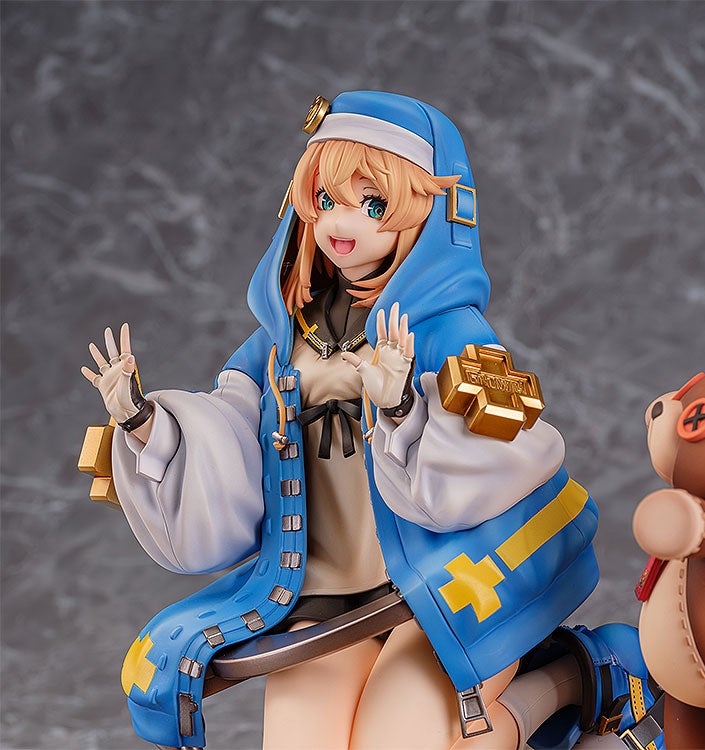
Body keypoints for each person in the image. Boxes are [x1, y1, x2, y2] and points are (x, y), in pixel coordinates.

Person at [82, 91, 601, 750]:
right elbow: (229, 436)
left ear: (428, 210)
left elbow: (501, 455)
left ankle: (560, 681)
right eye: (326, 200)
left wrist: (402, 405)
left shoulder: (449, 332)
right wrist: (142, 421)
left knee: (400, 739)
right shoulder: (282, 340)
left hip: (442, 582)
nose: (340, 221)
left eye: (373, 203)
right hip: (324, 589)